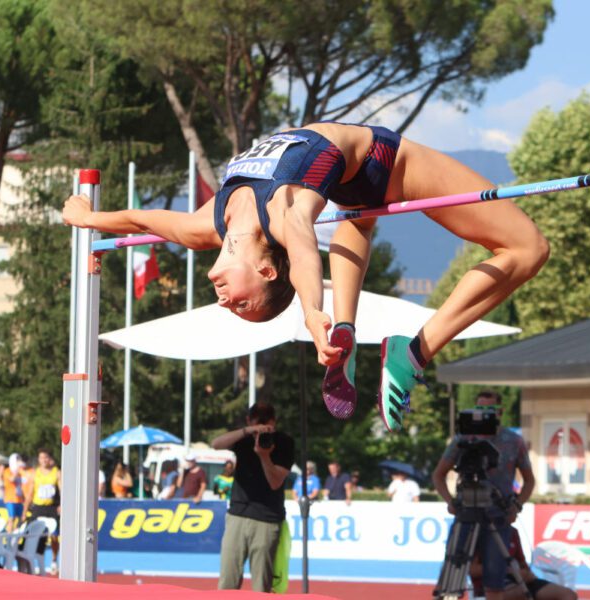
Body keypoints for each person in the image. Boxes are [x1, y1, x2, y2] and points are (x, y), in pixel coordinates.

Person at [62, 122, 549, 431]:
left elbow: (142, 220)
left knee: (356, 215)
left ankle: (349, 331)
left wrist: (88, 218)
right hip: (384, 160)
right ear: (267, 270)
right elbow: (305, 254)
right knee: (529, 248)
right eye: (244, 306)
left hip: (347, 176)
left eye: (234, 308)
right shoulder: (282, 215)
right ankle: (412, 349)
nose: (225, 304)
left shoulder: (201, 228)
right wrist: (314, 312)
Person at [431, 390, 536, 600]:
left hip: (498, 517)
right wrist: (450, 502)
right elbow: (438, 474)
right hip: (466, 514)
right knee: (451, 581)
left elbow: (529, 480)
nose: (485, 414)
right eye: (481, 409)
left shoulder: (513, 441)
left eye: (490, 409)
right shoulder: (463, 438)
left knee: (494, 583)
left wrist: (517, 506)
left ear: (500, 411)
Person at [211, 402, 295, 592]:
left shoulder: (283, 442)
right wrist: (247, 431)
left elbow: (275, 482)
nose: (263, 427)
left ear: (274, 421)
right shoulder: (244, 438)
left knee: (261, 585)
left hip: (266, 518)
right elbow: (216, 444)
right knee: (227, 582)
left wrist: (264, 456)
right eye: (259, 421)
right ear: (249, 420)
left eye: (267, 421)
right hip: (238, 514)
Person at [470, 526, 577, 600]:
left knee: (568, 595)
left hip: (520, 579)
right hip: (495, 581)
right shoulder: (480, 533)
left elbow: (522, 563)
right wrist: (504, 570)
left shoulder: (513, 532)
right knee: (520, 594)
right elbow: (473, 570)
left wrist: (525, 574)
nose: (516, 512)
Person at [24, 448, 61, 575]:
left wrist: (62, 505)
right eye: (41, 458)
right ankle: (33, 561)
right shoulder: (35, 473)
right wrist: (24, 511)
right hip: (38, 508)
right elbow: (30, 493)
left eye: (45, 457)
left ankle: (54, 560)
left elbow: (62, 490)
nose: (43, 460)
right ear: (38, 460)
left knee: (54, 536)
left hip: (51, 508)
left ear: (49, 459)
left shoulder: (56, 473)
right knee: (32, 535)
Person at [3, 453, 26, 532]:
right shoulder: (7, 471)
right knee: (11, 518)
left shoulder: (20, 473)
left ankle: (16, 535)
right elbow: (12, 479)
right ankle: (9, 535)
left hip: (19, 499)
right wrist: (17, 470)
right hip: (11, 499)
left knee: (20, 519)